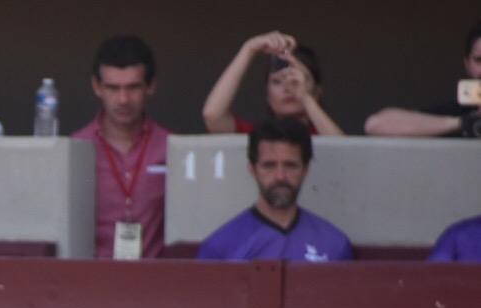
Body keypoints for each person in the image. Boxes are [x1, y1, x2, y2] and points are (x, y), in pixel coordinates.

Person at [71, 35, 171, 260]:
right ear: (97, 87)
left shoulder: (171, 147)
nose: (123, 99)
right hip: (91, 282)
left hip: (156, 282)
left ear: (151, 85)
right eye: (113, 88)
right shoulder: (76, 149)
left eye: (133, 87)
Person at [197, 118, 352, 262]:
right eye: (269, 165)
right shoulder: (219, 249)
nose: (280, 176)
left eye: (290, 165)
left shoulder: (335, 245)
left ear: (305, 170)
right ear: (253, 170)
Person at [201, 32, 343, 137]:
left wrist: (305, 99)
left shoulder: (326, 135)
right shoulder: (257, 136)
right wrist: (249, 49)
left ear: (317, 92)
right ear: (267, 94)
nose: (288, 88)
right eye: (277, 81)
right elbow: (213, 116)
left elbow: (345, 151)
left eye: (297, 80)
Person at [365, 21, 481, 138]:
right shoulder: (460, 114)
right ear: (467, 65)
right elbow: (376, 124)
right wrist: (465, 123)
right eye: (479, 60)